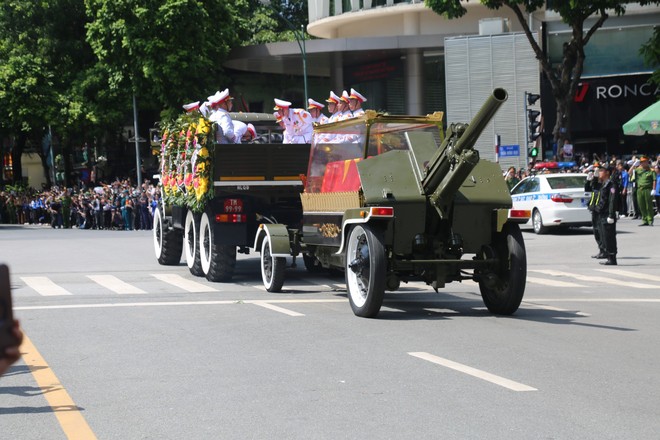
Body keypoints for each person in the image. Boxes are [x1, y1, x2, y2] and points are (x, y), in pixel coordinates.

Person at [594, 165, 618, 265]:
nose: (599, 173)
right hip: (602, 214)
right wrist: (594, 179)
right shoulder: (603, 184)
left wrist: (611, 215)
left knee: (609, 237)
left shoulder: (611, 184)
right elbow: (593, 189)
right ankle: (608, 256)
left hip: (607, 214)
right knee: (604, 236)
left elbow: (612, 200)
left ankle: (612, 258)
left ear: (607, 172)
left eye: (601, 171)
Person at [585, 162, 606, 259]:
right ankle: (601, 249)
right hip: (594, 208)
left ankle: (605, 250)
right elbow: (588, 189)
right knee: (596, 231)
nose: (596, 171)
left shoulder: (604, 181)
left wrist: (598, 179)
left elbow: (601, 189)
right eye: (595, 169)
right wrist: (588, 181)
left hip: (601, 209)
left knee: (602, 231)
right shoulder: (595, 180)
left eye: (598, 169)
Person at [635, 156, 656, 226]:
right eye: (642, 162)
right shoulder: (638, 170)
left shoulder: (651, 170)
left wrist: (654, 189)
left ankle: (650, 220)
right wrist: (633, 165)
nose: (643, 163)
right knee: (641, 205)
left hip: (648, 189)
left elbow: (654, 180)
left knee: (648, 205)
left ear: (647, 162)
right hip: (640, 189)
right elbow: (629, 173)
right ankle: (644, 220)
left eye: (644, 162)